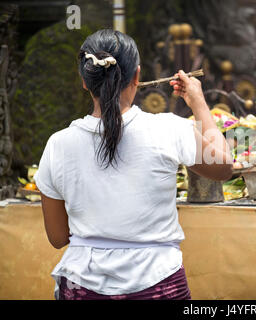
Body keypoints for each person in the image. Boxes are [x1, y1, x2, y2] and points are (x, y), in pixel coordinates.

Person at [34, 29, 233, 300]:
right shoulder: (169, 129)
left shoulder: (58, 144)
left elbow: (58, 237)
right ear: (137, 76)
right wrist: (198, 104)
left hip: (82, 285)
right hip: (159, 283)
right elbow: (223, 166)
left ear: (84, 80)